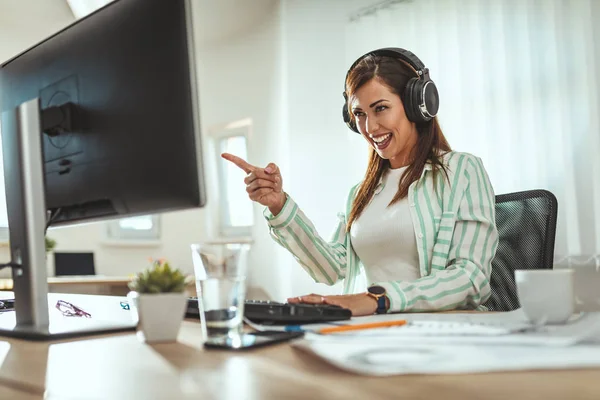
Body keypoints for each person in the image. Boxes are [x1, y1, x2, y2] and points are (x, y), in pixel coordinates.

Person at [222, 47, 498, 316]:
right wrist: (279, 205)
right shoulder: (361, 193)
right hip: (376, 331)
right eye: (360, 114)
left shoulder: (461, 170)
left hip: (444, 331)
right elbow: (330, 269)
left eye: (381, 108)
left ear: (416, 106)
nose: (369, 128)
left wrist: (378, 299)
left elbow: (469, 276)